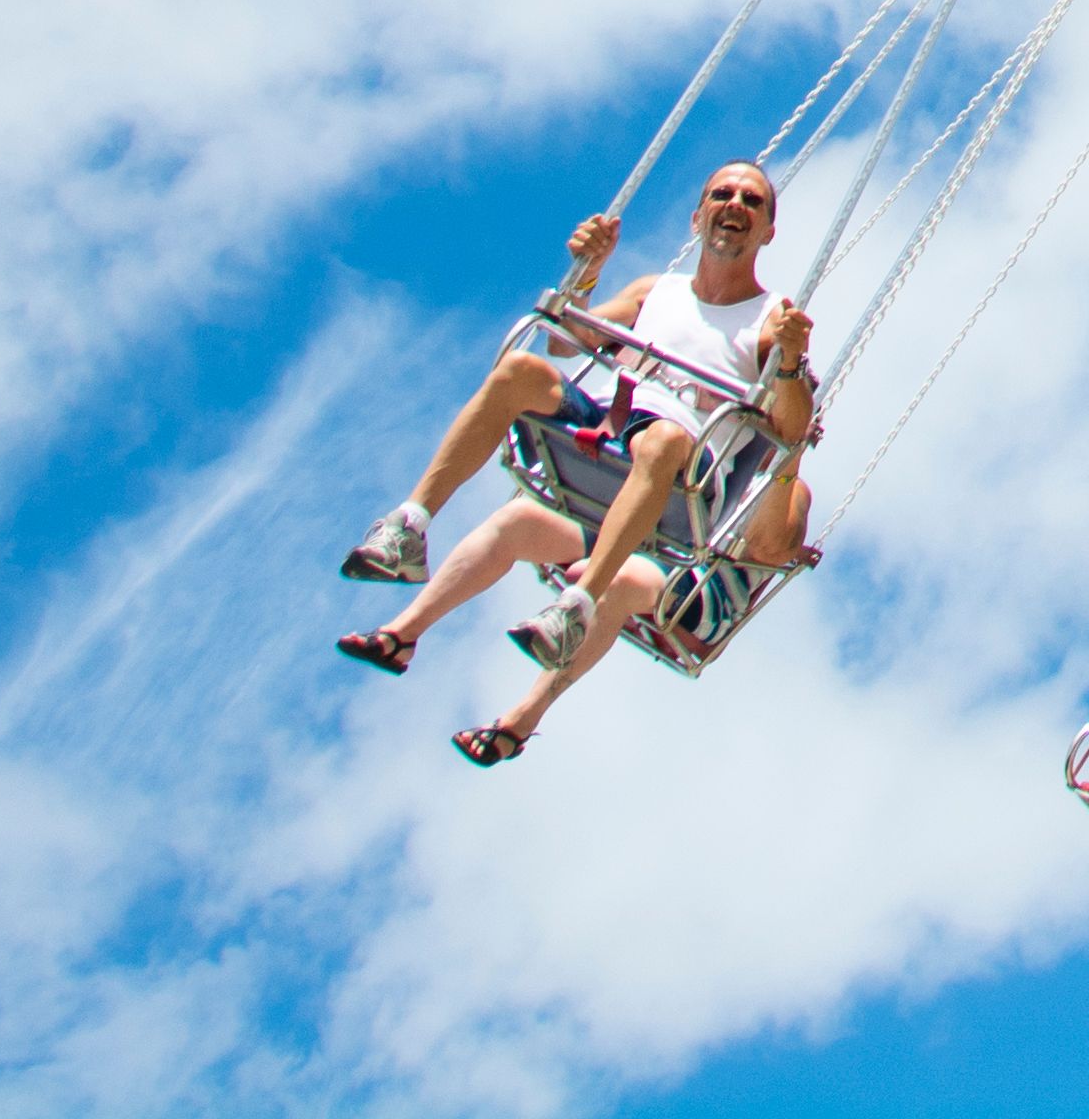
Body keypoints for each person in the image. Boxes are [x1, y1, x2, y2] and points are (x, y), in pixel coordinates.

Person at [332, 164, 823, 768]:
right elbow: (567, 343)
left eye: (752, 200)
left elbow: (792, 427)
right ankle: (407, 562)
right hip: (606, 452)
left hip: (675, 496)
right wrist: (586, 273)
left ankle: (576, 611)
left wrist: (793, 362)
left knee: (662, 441)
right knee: (520, 379)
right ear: (697, 217)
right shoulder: (654, 293)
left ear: (769, 230)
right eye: (721, 194)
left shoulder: (768, 322)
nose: (734, 204)